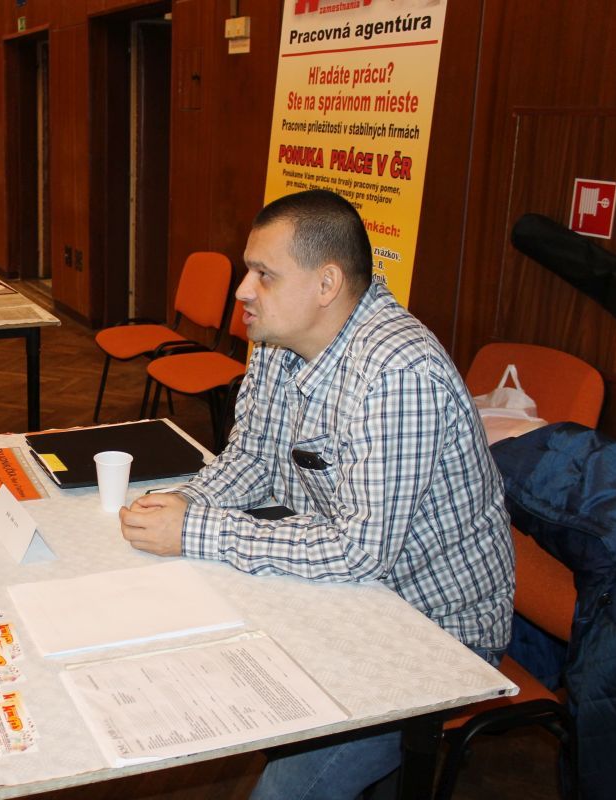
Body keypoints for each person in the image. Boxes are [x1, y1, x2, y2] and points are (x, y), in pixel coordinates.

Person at [118, 189, 515, 800]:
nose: (243, 291)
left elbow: (359, 552)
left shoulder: (397, 374)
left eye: (264, 275)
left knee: (283, 792)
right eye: (247, 270)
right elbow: (253, 458)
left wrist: (197, 531)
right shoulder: (280, 339)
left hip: (432, 630)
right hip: (345, 594)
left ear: (327, 284)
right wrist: (185, 504)